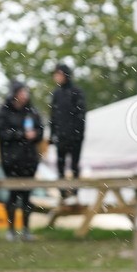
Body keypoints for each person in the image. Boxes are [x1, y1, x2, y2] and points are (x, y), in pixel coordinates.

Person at [0, 81, 43, 241]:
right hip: (11, 161)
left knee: (27, 196)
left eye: (26, 92)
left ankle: (26, 230)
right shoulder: (4, 112)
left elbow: (40, 131)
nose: (25, 95)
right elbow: (1, 133)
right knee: (13, 196)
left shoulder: (32, 111)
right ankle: (11, 230)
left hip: (29, 160)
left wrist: (36, 134)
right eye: (22, 92)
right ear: (14, 94)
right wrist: (21, 134)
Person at [49, 63, 87, 202]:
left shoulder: (76, 92)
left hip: (74, 137)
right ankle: (63, 193)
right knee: (60, 165)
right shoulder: (57, 94)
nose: (56, 77)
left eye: (58, 74)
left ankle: (75, 193)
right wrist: (53, 134)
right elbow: (53, 116)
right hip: (61, 137)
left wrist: (78, 134)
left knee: (75, 165)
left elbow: (81, 115)